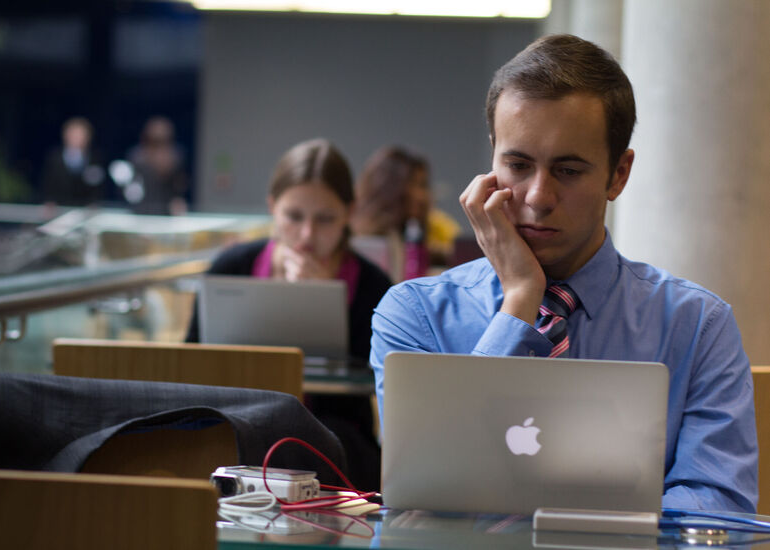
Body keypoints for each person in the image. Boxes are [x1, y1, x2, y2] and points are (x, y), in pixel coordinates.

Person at [370, 34, 757, 512]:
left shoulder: (697, 324)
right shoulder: (414, 312)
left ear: (618, 174)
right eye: (517, 165)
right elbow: (428, 496)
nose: (536, 197)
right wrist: (520, 299)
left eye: (568, 171)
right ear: (492, 158)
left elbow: (718, 506)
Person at [186, 138, 392, 491]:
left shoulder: (374, 286)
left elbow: (381, 381)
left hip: (335, 443)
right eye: (294, 216)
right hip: (236, 429)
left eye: (325, 219)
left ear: (349, 213)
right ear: (272, 208)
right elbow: (190, 360)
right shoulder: (231, 268)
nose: (307, 235)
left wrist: (324, 300)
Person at [352, 146, 460, 281]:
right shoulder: (364, 243)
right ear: (389, 188)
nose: (422, 195)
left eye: (424, 185)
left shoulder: (432, 227)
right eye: (415, 184)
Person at [125, 116, 189, 215]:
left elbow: (179, 185)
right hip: (141, 211)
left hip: (167, 213)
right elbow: (130, 188)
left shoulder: (176, 156)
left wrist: (178, 200)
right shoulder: (137, 156)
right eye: (156, 139)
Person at [40, 117, 107, 207]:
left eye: (80, 135)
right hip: (59, 208)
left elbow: (98, 186)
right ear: (65, 135)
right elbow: (47, 183)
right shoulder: (54, 157)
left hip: (85, 210)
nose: (77, 138)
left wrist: (94, 203)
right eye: (74, 134)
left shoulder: (95, 158)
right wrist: (49, 201)